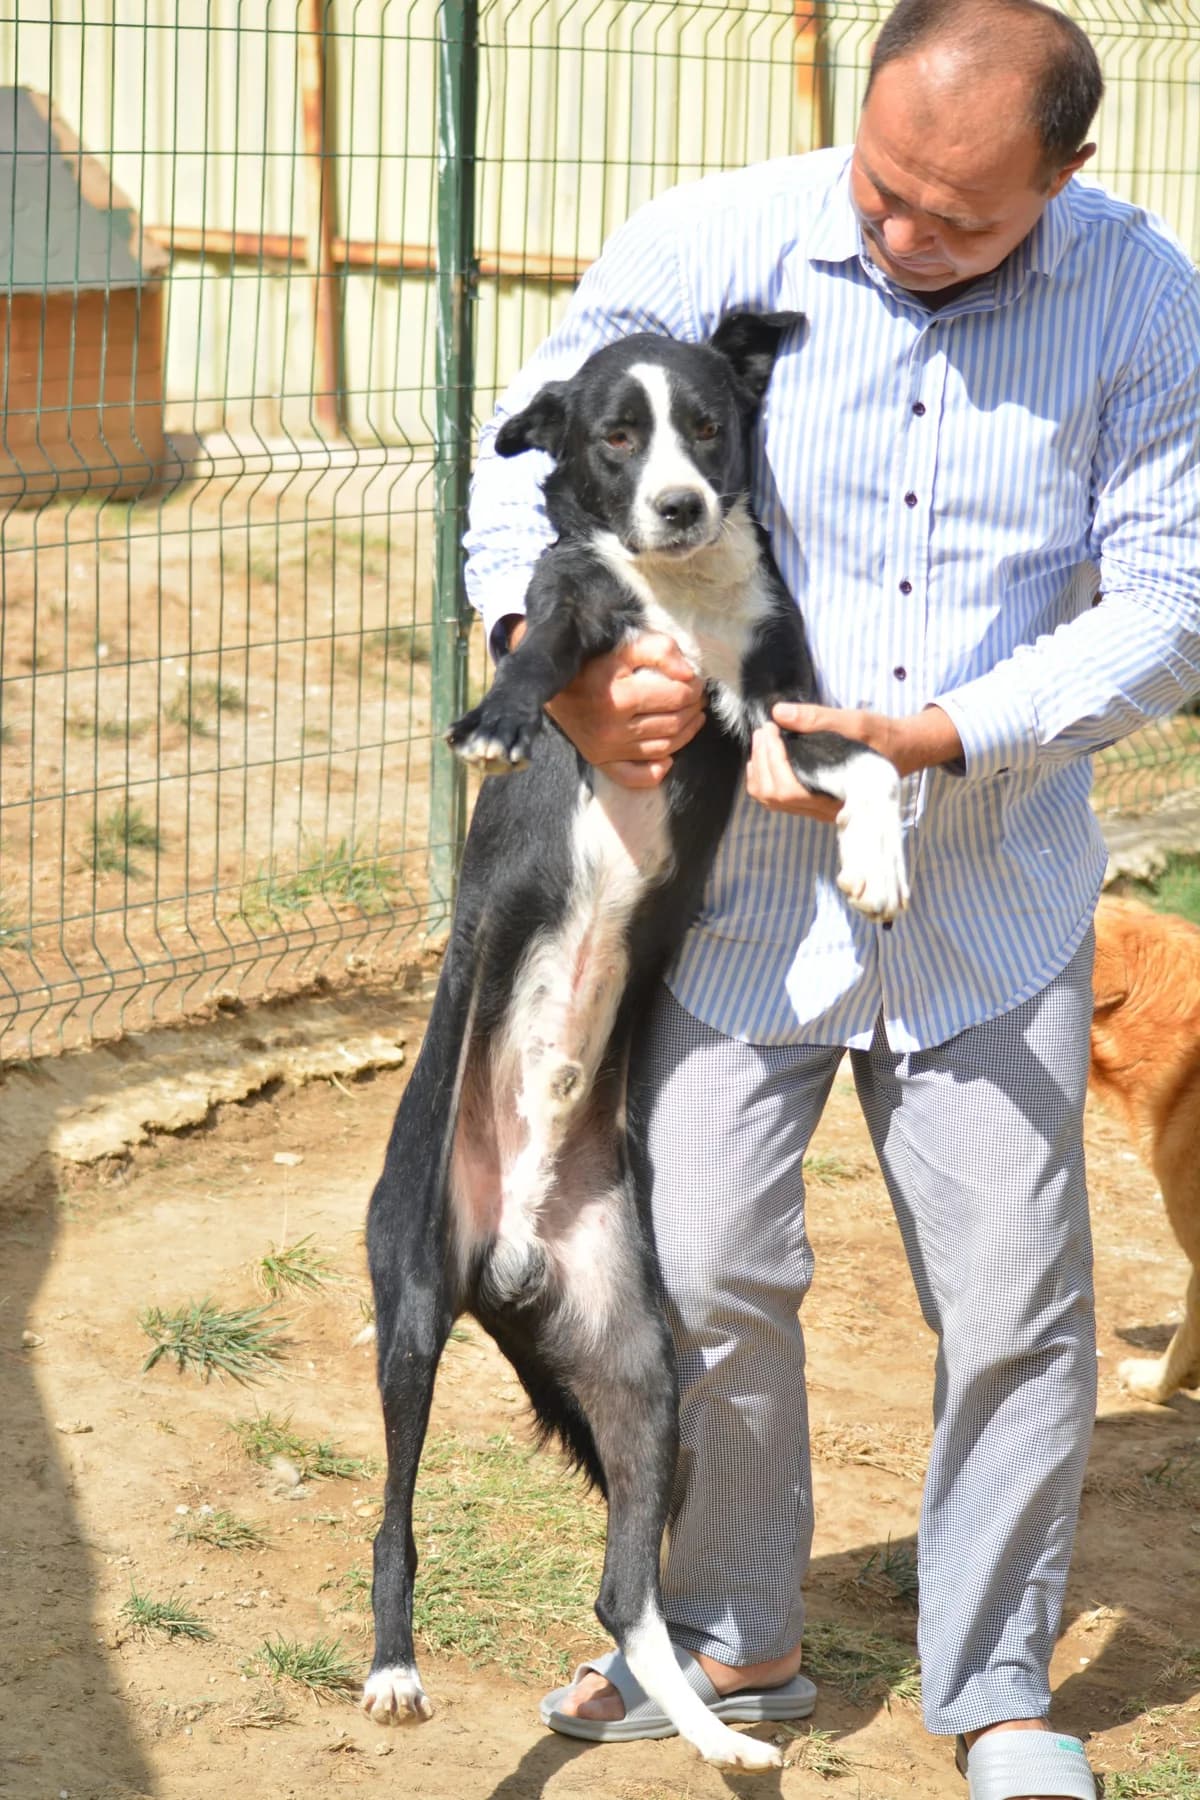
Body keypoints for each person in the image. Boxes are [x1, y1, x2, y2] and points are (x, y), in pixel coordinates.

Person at [462, 1, 1200, 1794]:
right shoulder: (700, 243)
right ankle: (739, 1637)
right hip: (728, 892)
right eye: (883, 191)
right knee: (702, 1271)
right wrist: (548, 664)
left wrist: (947, 731)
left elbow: (1173, 594)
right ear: (855, 119)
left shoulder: (1143, 294)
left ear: (1067, 174)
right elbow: (519, 475)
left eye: (961, 218)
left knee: (1019, 1314)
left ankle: (1001, 1691)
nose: (903, 240)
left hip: (990, 887)